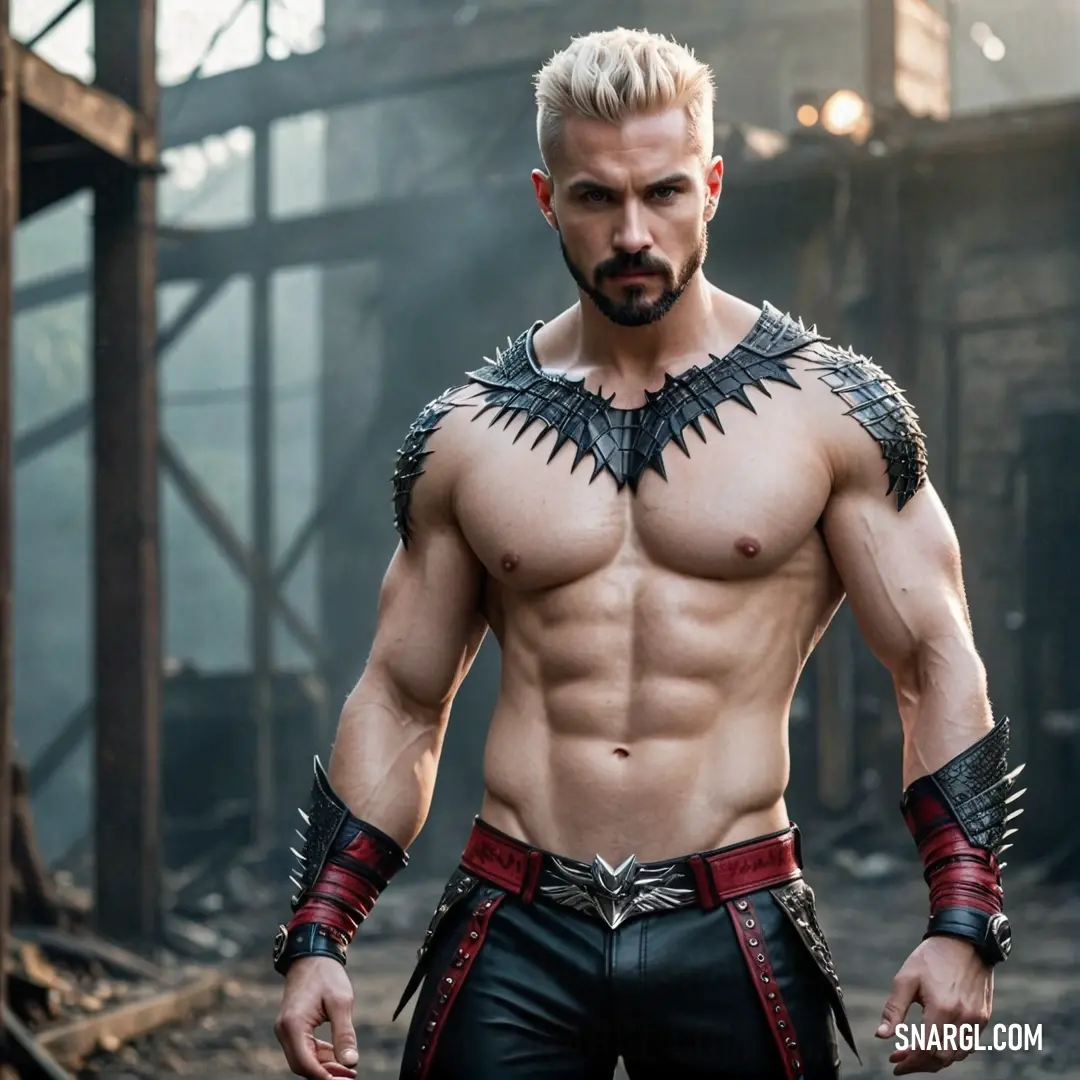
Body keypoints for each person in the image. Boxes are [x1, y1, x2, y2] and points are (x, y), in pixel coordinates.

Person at [272, 27, 1023, 1080]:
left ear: (712, 185)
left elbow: (936, 662)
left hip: (736, 915)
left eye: (663, 193)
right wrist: (318, 935)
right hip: (514, 923)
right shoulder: (465, 434)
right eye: (596, 198)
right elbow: (401, 697)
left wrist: (964, 922)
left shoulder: (833, 410)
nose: (633, 231)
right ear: (547, 198)